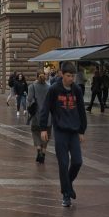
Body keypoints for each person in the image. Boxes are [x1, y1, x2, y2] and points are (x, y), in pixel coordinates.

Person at [40, 61, 87, 208]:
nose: (71, 79)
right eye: (68, 76)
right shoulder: (54, 89)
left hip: (74, 131)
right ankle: (66, 195)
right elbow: (45, 109)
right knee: (63, 163)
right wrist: (43, 129)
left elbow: (81, 111)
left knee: (78, 162)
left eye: (72, 76)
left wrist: (82, 130)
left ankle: (67, 185)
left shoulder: (77, 90)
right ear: (61, 74)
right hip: (60, 131)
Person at [27, 72, 51, 164]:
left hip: (36, 115)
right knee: (46, 134)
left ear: (36, 77)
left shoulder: (32, 87)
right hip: (48, 115)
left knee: (35, 132)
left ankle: (38, 150)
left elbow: (29, 100)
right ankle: (43, 153)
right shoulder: (49, 87)